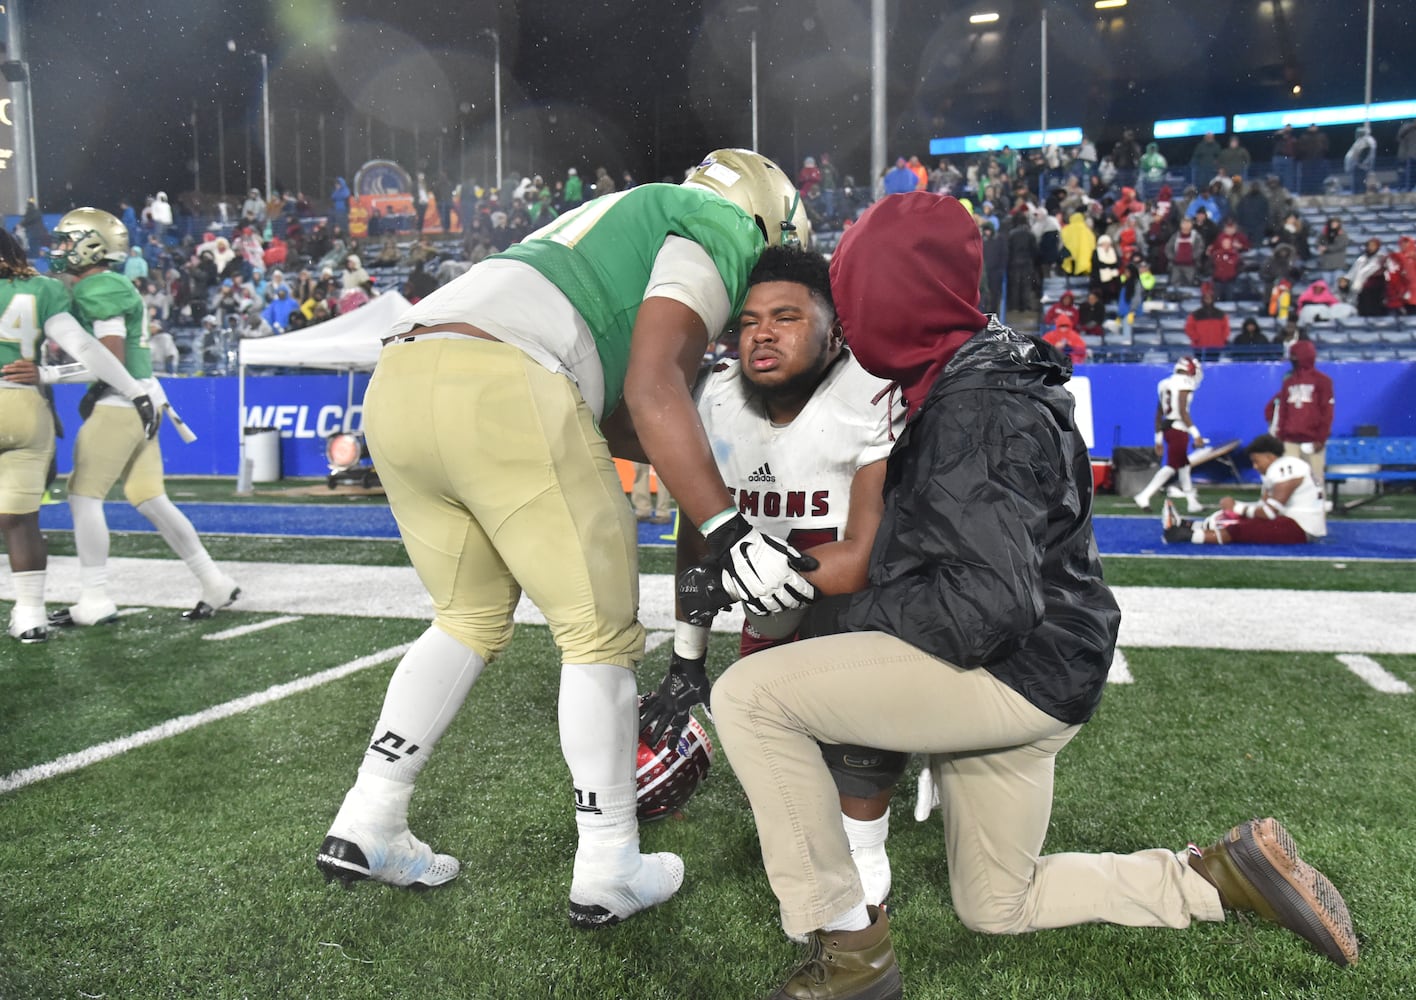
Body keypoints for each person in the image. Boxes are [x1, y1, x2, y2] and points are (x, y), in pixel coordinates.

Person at [708, 193, 1357, 1000]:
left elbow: (987, 604)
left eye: (856, 291)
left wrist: (848, 616)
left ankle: (849, 955)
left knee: (750, 698)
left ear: (898, 293)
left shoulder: (974, 406)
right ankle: (1216, 879)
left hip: (1013, 671)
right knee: (998, 904)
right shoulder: (980, 367)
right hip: (1055, 663)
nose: (849, 315)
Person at [314, 149, 819, 929]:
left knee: (467, 620)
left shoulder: (621, 218)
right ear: (768, 215)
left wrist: (713, 468)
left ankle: (369, 816)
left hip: (405, 376)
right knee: (599, 636)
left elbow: (618, 408)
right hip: (507, 377)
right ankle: (610, 860)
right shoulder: (720, 224)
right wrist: (730, 527)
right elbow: (653, 388)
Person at [641, 245, 907, 906]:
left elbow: (868, 552)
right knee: (759, 709)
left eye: (786, 316)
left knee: (857, 676)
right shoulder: (716, 396)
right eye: (750, 319)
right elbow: (696, 537)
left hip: (859, 582)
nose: (761, 332)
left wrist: (752, 575)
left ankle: (867, 837)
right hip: (763, 575)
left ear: (833, 328)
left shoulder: (873, 393)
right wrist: (686, 655)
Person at [40, 209, 240, 627]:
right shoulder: (109, 283)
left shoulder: (100, 285)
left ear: (89, 245)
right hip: (144, 400)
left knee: (83, 495)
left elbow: (107, 361)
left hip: (121, 401)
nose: (59, 249)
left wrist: (47, 374)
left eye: (66, 241)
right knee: (150, 498)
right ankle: (214, 581)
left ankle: (95, 597)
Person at [1, 229, 156, 643]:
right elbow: (88, 349)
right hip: (24, 406)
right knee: (20, 522)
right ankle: (30, 616)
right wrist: (137, 390)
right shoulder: (41, 289)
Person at [1163, 434, 1325, 545]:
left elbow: (1269, 513)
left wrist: (1236, 507)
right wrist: (1237, 509)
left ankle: (1190, 536)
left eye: (1256, 461)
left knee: (1245, 528)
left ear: (1269, 456)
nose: (1255, 466)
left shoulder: (1286, 467)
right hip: (1292, 522)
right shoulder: (1282, 468)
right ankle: (1188, 525)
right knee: (1240, 518)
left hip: (1302, 528)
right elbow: (1262, 509)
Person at [1133, 356, 1207, 512]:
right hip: (1178, 428)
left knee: (1184, 466)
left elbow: (1159, 412)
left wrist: (1158, 438)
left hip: (1168, 428)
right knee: (1172, 466)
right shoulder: (1184, 382)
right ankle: (1144, 495)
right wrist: (1196, 434)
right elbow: (1182, 411)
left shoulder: (1164, 383)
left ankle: (1192, 503)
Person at [1264, 339, 1334, 489]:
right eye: (1292, 356)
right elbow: (1283, 411)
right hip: (1289, 440)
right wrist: (1281, 436)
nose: (1292, 359)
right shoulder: (1288, 382)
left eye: (1295, 356)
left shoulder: (1323, 381)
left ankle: (1316, 511)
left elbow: (1326, 412)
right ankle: (1290, 512)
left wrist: (1321, 438)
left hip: (1313, 440)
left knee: (1315, 481)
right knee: (1288, 481)